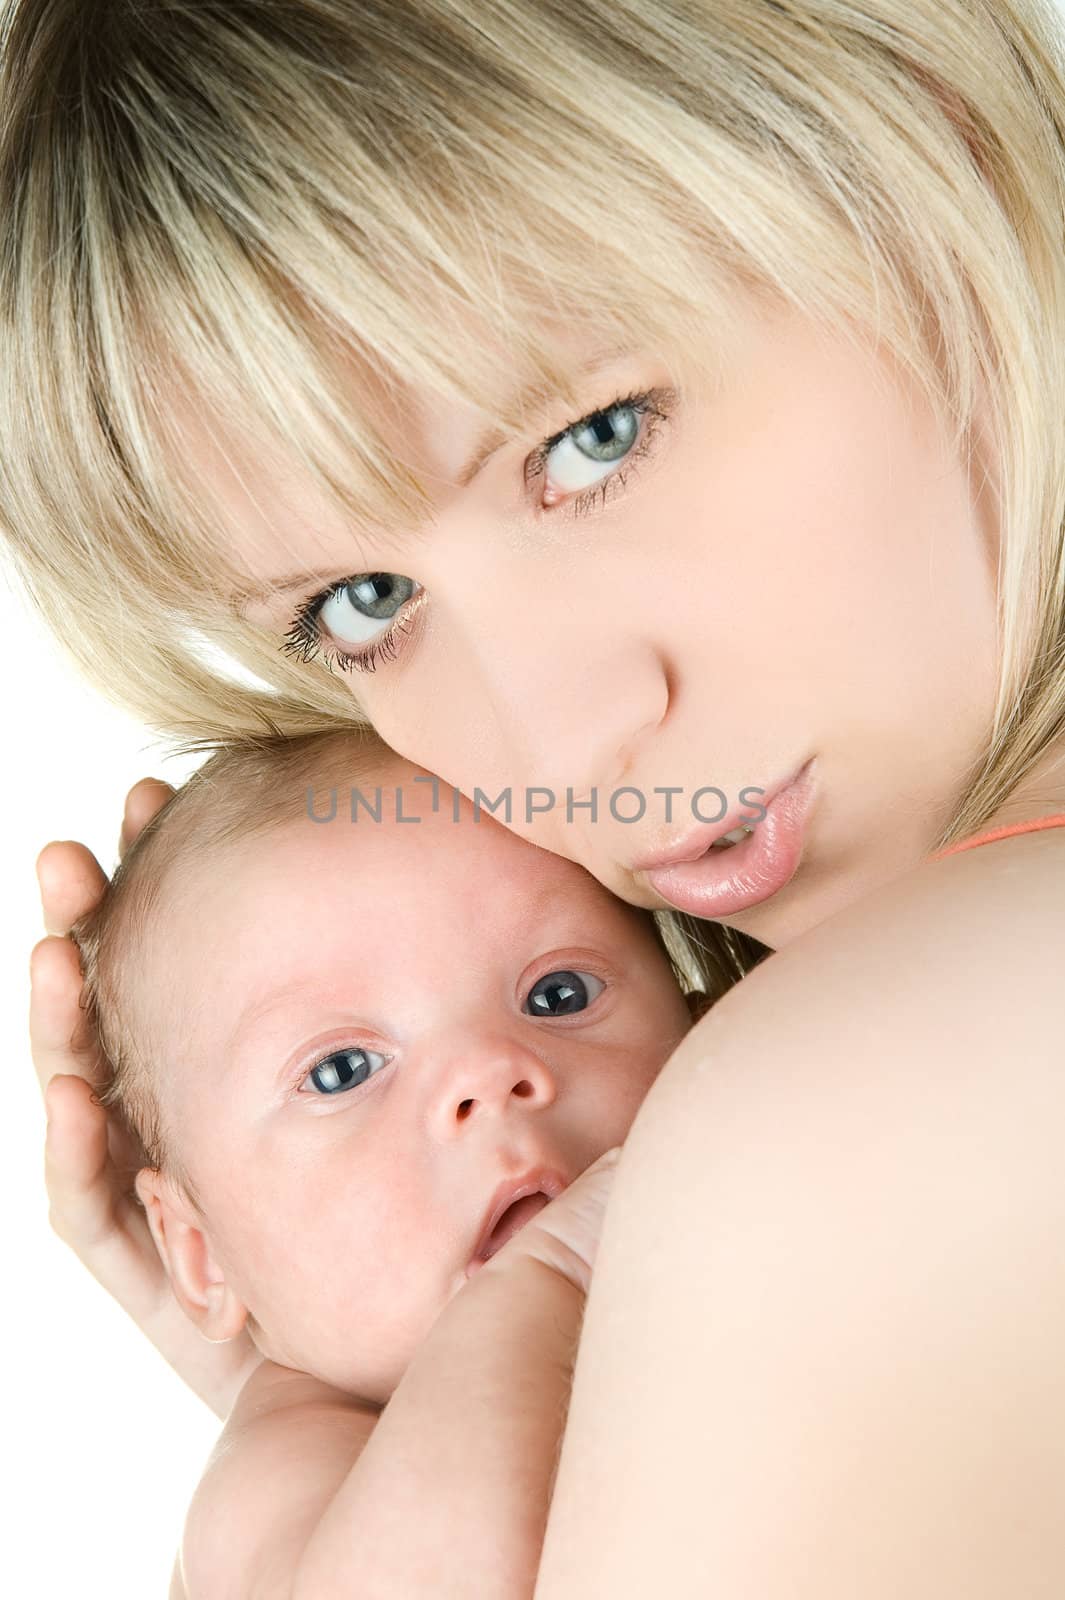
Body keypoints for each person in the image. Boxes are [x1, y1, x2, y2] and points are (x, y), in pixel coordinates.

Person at [7, 1, 1065, 1591]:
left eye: (596, 437)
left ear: (915, 145)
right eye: (360, 603)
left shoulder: (843, 1111)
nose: (563, 748)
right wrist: (362, 1399)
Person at [70, 724, 703, 1597]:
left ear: (702, 1017)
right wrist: (546, 1274)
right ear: (200, 1254)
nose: (489, 1071)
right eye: (342, 1070)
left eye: (557, 994)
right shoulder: (285, 1471)